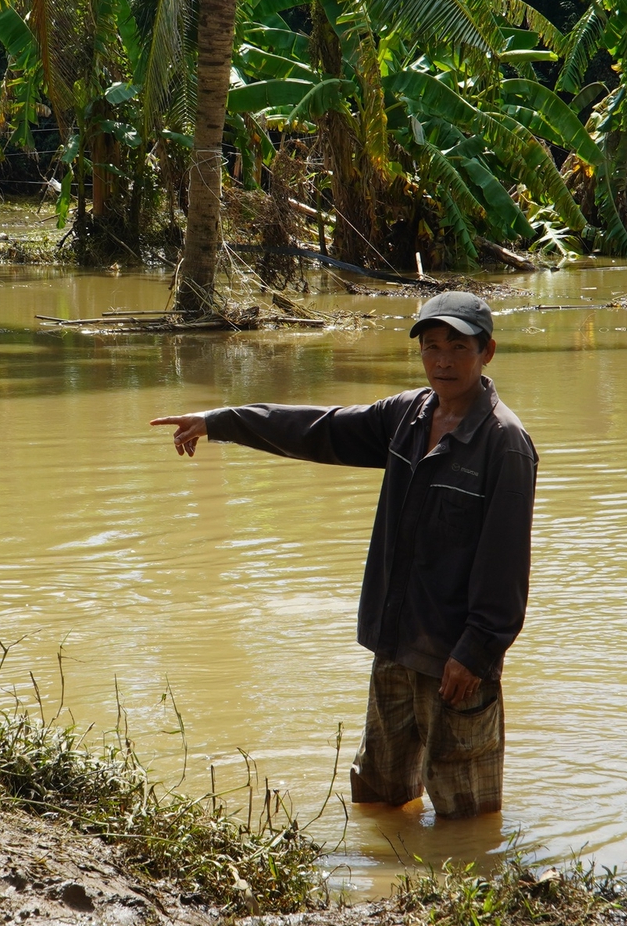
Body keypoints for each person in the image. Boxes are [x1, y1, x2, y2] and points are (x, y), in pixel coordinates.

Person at [149, 291, 535, 819]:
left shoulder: (504, 444)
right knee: (378, 791)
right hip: (396, 644)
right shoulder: (409, 416)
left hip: (455, 659)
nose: (442, 360)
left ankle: (450, 895)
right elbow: (319, 428)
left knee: (463, 811)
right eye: (431, 346)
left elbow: (505, 563)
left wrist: (476, 651)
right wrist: (222, 422)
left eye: (457, 347)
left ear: (486, 352)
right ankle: (385, 890)